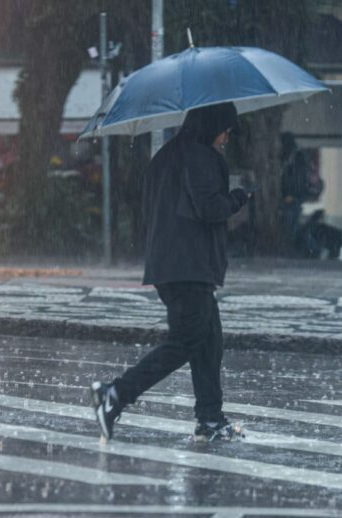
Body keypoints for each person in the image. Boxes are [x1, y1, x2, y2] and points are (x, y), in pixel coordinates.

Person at [90, 103, 250, 443]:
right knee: (185, 342)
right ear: (211, 126)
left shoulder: (164, 157)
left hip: (170, 264)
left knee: (209, 342)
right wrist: (238, 198)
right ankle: (115, 394)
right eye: (225, 129)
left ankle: (210, 418)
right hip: (189, 266)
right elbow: (210, 208)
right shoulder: (201, 157)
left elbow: (151, 208)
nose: (226, 137)